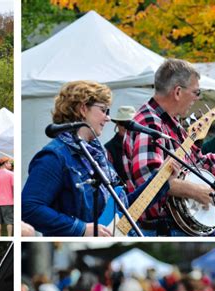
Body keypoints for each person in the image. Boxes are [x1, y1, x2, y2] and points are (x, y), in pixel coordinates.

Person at [22, 80, 166, 237]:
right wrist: (81, 229)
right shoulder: (54, 157)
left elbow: (121, 208)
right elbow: (29, 207)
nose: (108, 118)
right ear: (83, 109)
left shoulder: (98, 155)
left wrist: (161, 180)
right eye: (104, 110)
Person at [123, 58, 215, 236]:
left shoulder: (172, 123)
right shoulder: (149, 122)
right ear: (177, 92)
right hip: (160, 229)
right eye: (196, 92)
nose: (197, 98)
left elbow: (199, 162)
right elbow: (149, 181)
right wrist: (196, 191)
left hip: (179, 224)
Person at [104, 105, 136, 184]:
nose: (125, 127)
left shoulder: (141, 142)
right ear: (117, 124)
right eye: (122, 123)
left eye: (129, 123)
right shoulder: (109, 148)